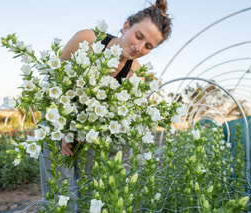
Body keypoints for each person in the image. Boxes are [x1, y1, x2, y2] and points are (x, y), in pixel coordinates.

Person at [40, 0, 172, 211]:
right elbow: (52, 82)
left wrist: (88, 135)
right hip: (57, 126)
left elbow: (116, 114)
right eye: (139, 36)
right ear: (126, 26)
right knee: (61, 199)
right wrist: (63, 128)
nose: (139, 48)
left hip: (91, 137)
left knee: (89, 197)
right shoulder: (89, 39)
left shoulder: (133, 71)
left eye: (149, 46)